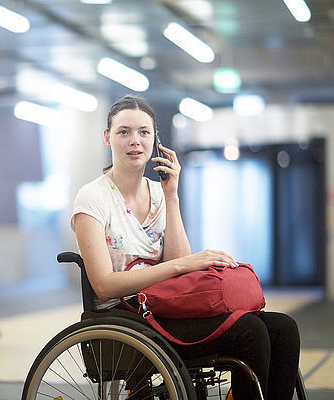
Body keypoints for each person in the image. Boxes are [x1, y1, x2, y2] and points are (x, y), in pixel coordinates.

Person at [71, 94, 300, 400]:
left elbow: (178, 262)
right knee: (251, 332)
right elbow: (104, 286)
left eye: (144, 132)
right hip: (129, 317)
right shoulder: (93, 198)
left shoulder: (158, 192)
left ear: (155, 140)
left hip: (164, 304)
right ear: (107, 138)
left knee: (283, 328)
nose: (134, 141)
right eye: (123, 132)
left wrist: (172, 196)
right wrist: (184, 265)